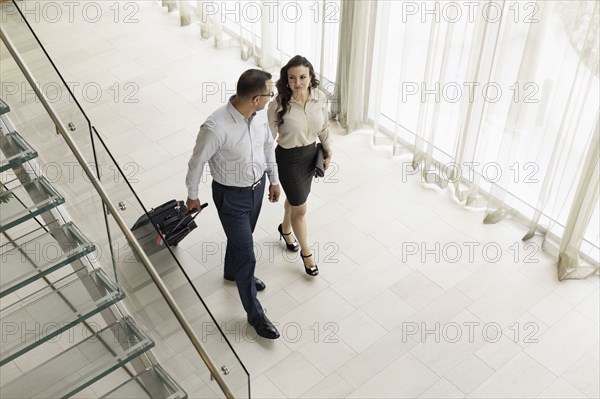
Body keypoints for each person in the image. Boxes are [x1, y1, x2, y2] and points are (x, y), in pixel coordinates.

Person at [185, 69, 281, 340]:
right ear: (255, 98)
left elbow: (267, 147)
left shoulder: (260, 115)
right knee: (247, 253)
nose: (271, 98)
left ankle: (232, 272)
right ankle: (255, 314)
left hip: (257, 188)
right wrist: (192, 195)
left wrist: (273, 180)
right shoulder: (215, 127)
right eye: (269, 94)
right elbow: (197, 162)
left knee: (243, 240)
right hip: (231, 197)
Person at [267, 55, 332, 277]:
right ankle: (307, 254)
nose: (297, 83)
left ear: (311, 77)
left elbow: (323, 128)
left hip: (310, 155)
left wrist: (328, 150)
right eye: (292, 78)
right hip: (288, 159)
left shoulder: (319, 98)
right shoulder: (278, 105)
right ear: (286, 79)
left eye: (302, 77)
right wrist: (268, 173)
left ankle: (285, 230)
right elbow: (268, 140)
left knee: (296, 200)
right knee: (301, 208)